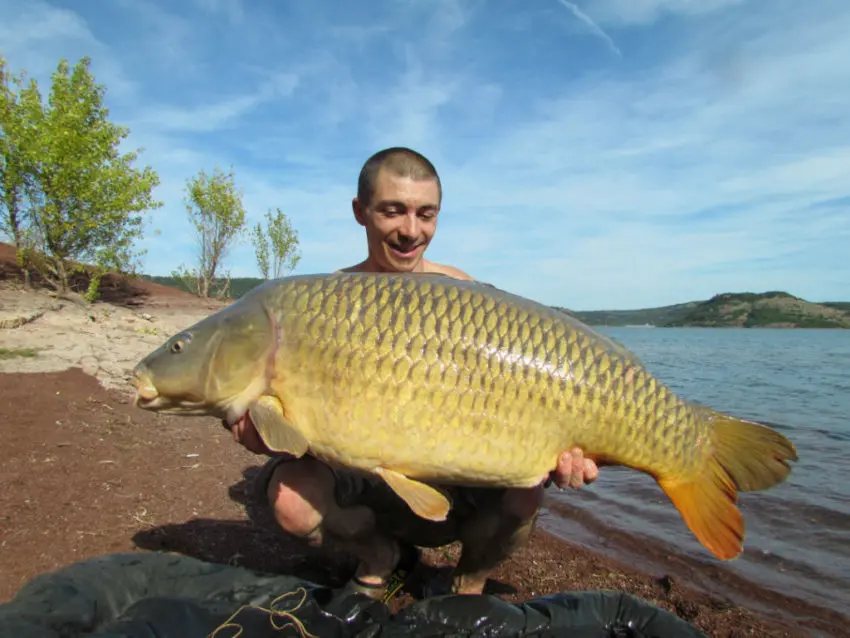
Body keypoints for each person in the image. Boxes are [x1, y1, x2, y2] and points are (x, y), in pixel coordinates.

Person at [227, 147, 600, 602]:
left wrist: (558, 449)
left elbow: (517, 394)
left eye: (426, 214)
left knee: (525, 493)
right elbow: (290, 424)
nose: (411, 230)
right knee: (291, 498)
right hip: (366, 481)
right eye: (393, 211)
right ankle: (379, 556)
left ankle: (471, 580)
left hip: (453, 478)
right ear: (360, 212)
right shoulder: (324, 303)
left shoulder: (465, 294)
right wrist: (262, 430)